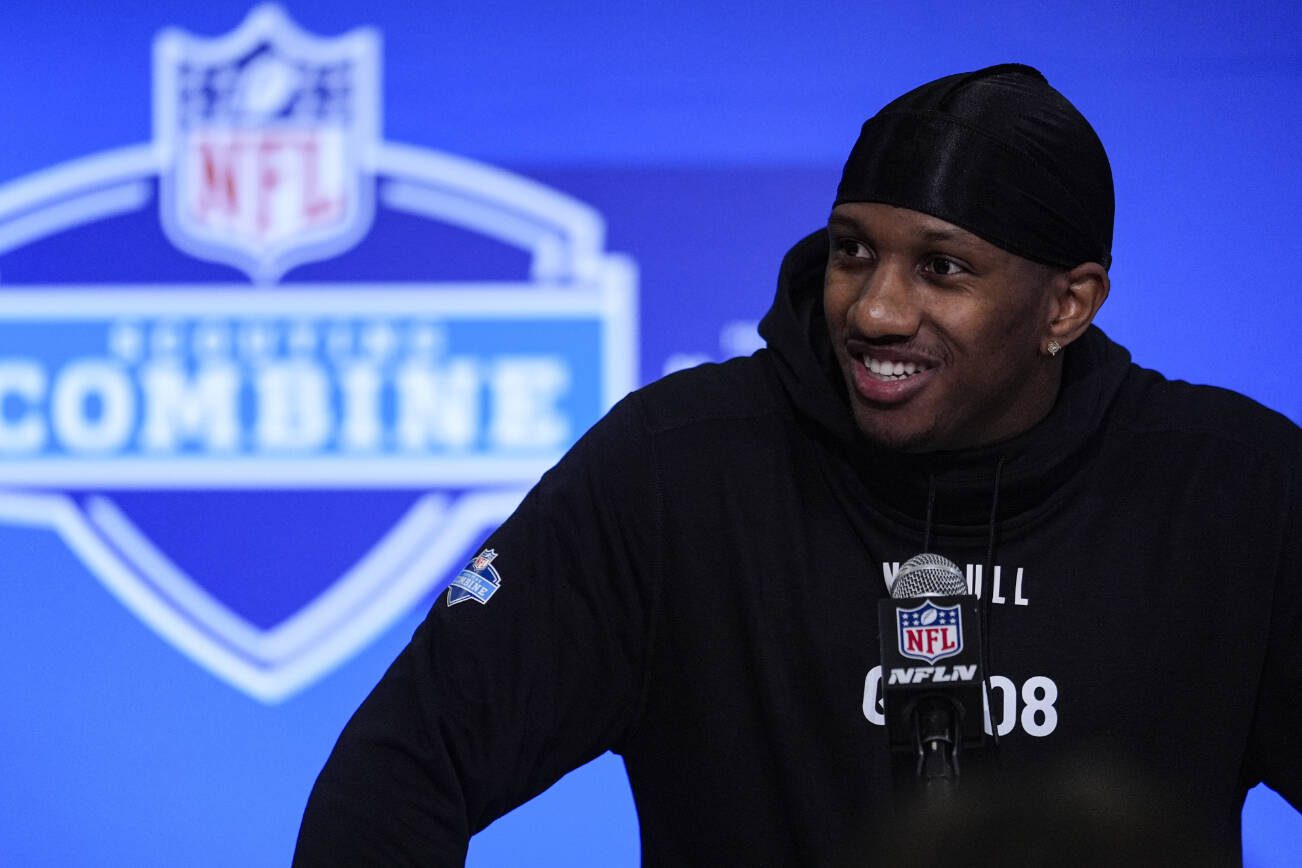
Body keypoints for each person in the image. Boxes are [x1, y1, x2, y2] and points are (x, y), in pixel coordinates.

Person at [294, 64, 1300, 865]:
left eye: (941, 267)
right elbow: (400, 771)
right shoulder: (676, 471)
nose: (874, 310)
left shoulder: (1233, 490)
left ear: (1067, 306)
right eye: (854, 252)